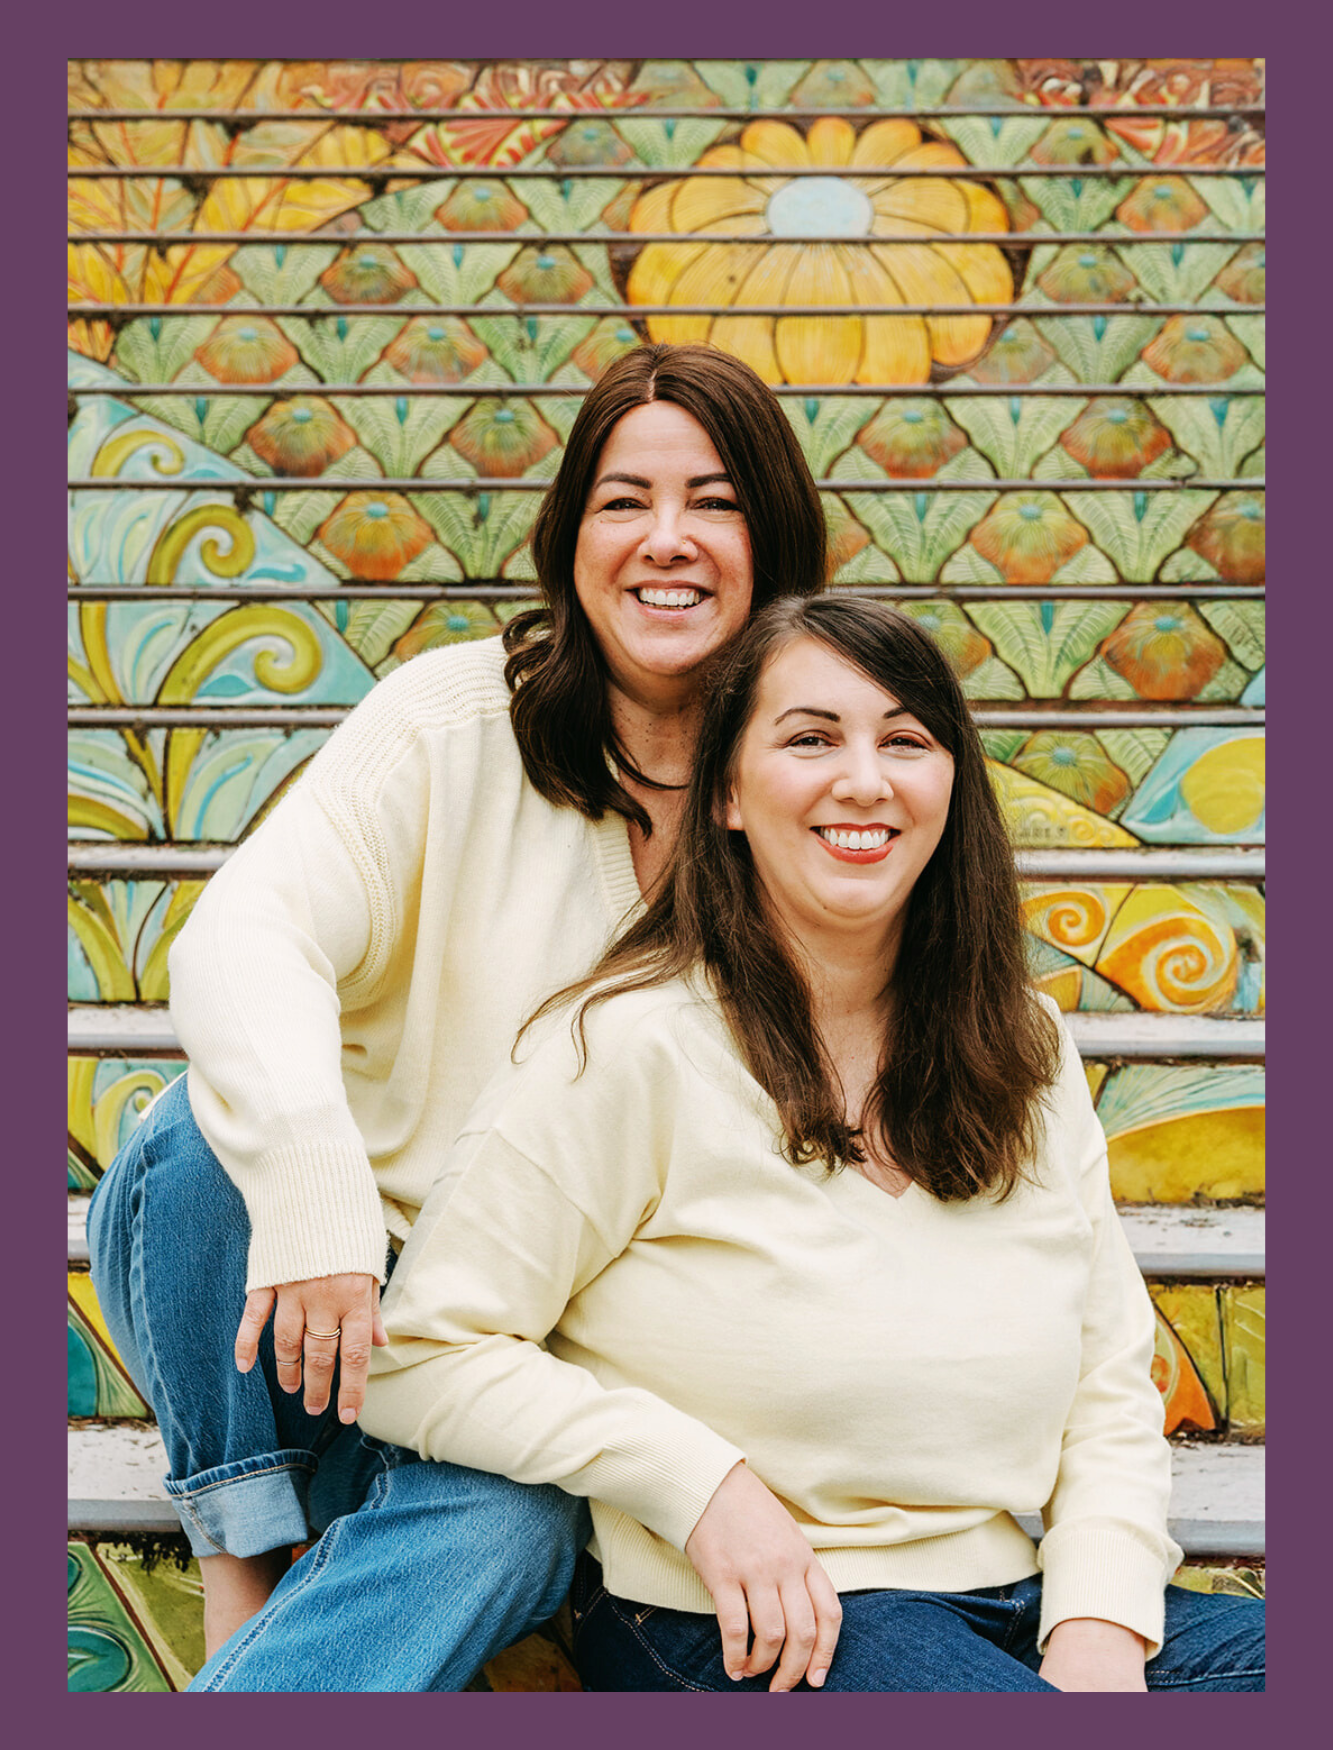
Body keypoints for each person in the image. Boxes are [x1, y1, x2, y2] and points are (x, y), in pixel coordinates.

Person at [85, 342, 828, 1690]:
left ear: (773, 537)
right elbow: (247, 930)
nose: (667, 540)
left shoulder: (811, 788)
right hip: (288, 1298)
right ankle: (246, 1555)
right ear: (569, 538)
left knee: (516, 1524)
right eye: (623, 500)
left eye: (713, 500)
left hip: (492, 1361)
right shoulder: (451, 716)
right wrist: (319, 1188)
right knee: (202, 1142)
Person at [359, 597, 1265, 1693]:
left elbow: (1109, 1379)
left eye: (904, 739)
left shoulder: (1020, 1040)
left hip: (1014, 1595)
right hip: (752, 1619)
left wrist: (1099, 1625)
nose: (864, 779)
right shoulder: (621, 1047)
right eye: (809, 737)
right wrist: (696, 1481)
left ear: (949, 787)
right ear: (729, 793)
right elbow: (420, 1357)